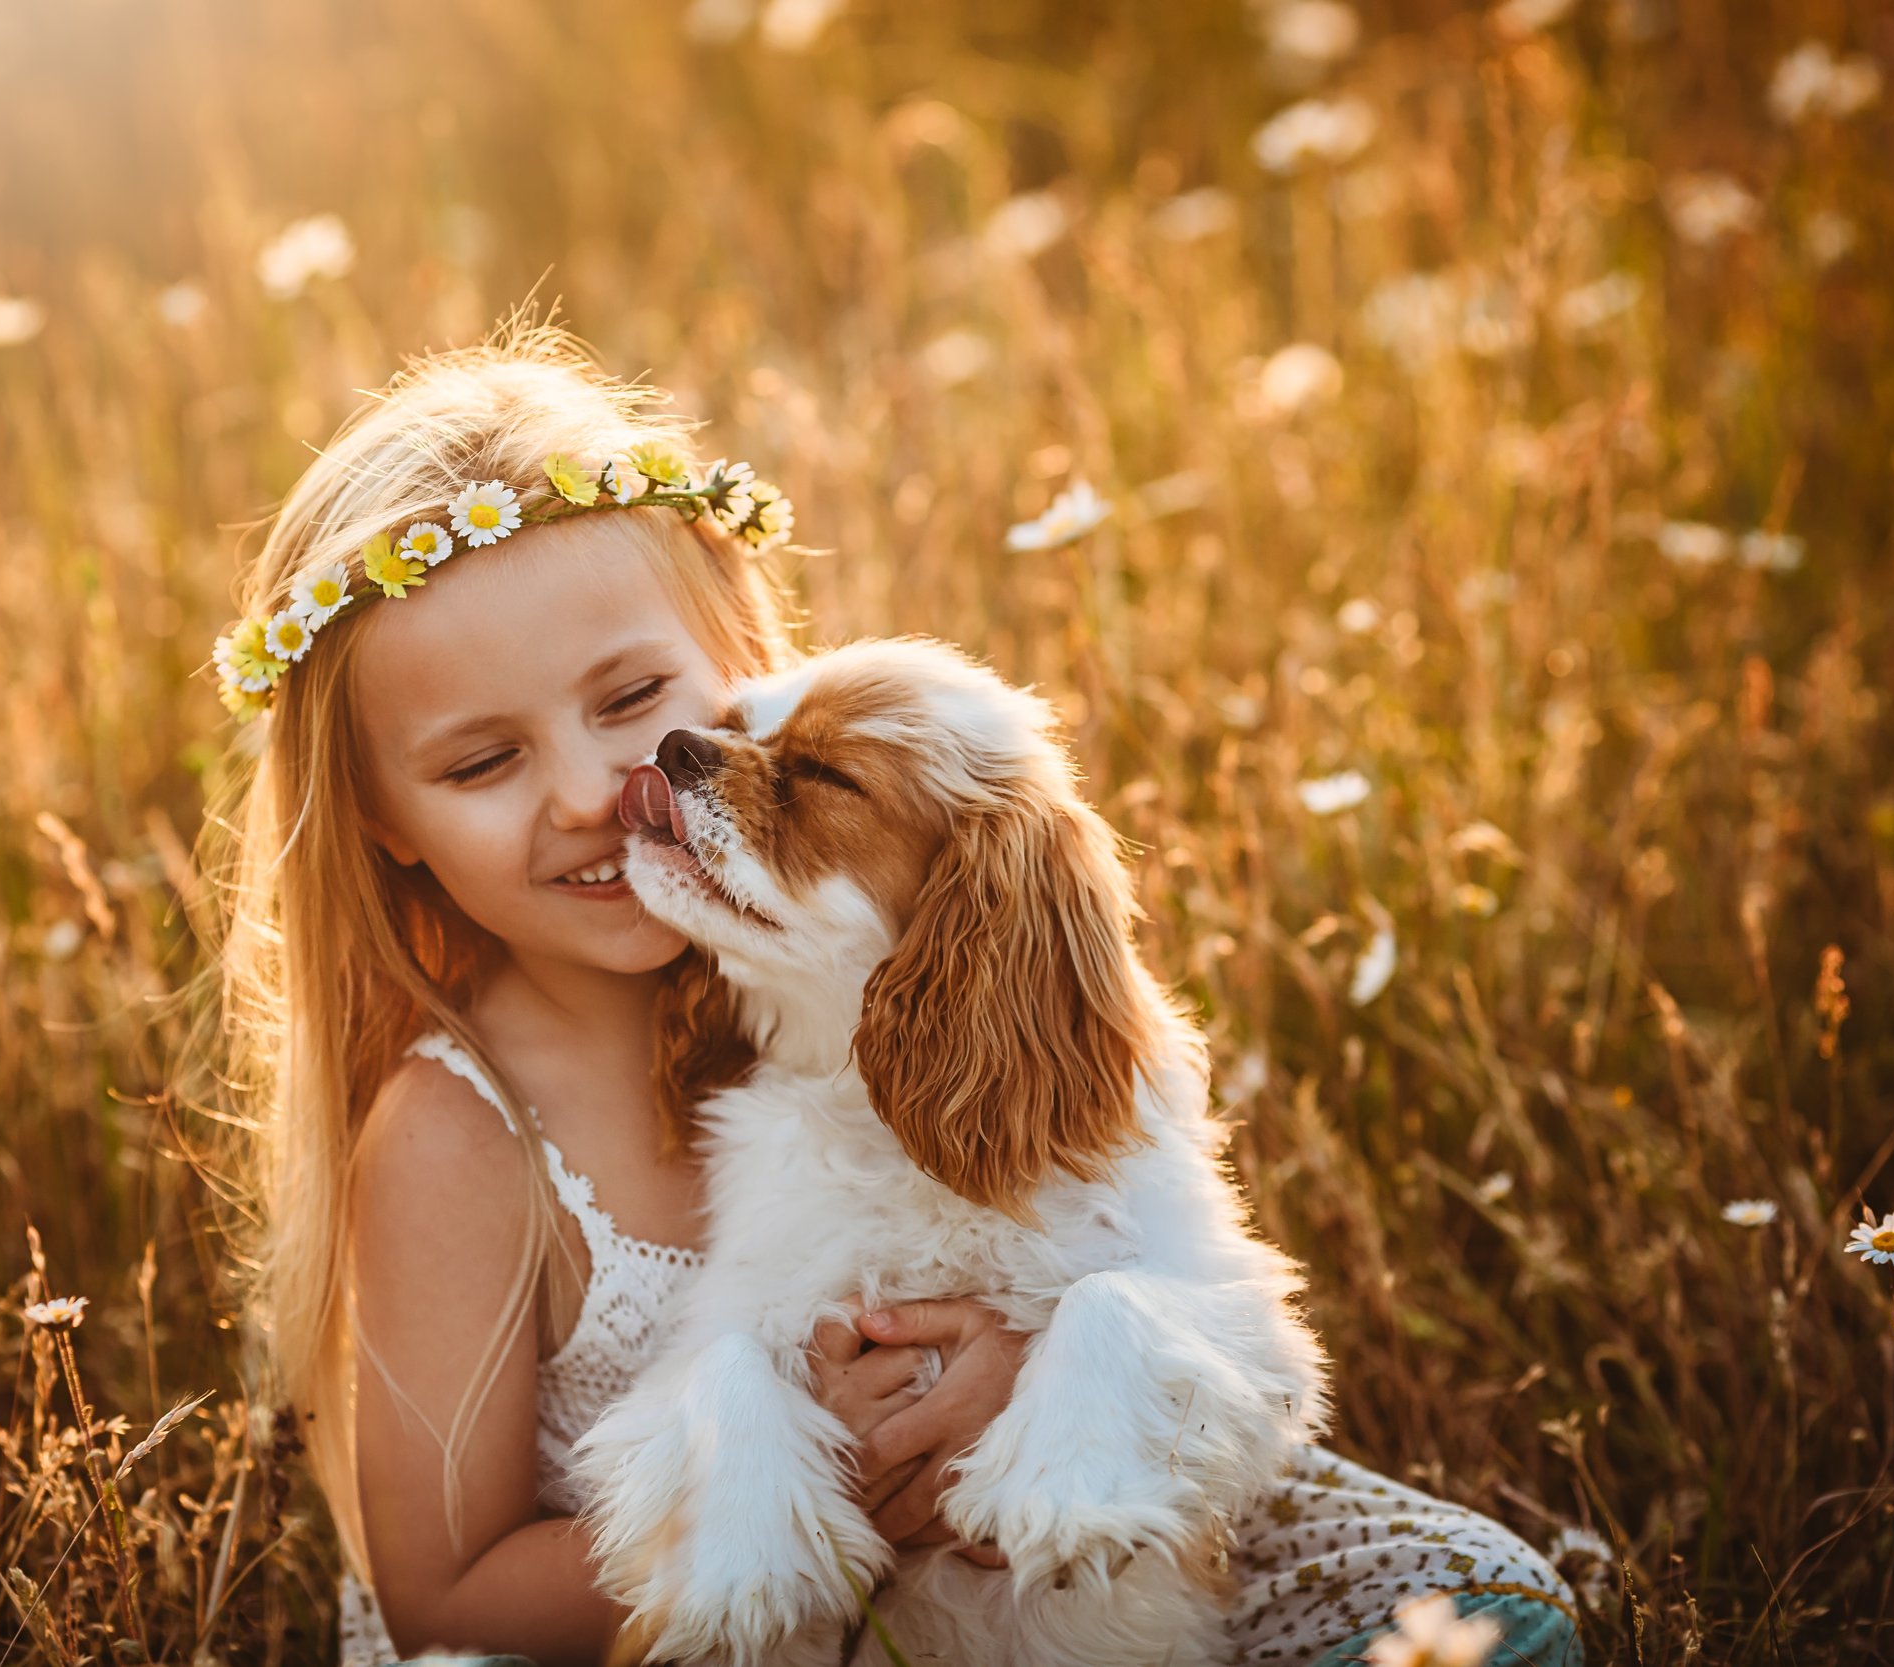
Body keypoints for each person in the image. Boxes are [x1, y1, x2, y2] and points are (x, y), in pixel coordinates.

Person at [203, 322, 1583, 1667]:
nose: (587, 795)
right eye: (480, 764)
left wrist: (1019, 1378)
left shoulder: (876, 931)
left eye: (631, 698)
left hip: (1044, 1533)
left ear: (745, 666)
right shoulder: (455, 1134)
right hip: (673, 1626)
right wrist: (846, 1479)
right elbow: (445, 1598)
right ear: (377, 815)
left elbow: (1110, 1246)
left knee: (1484, 1596)